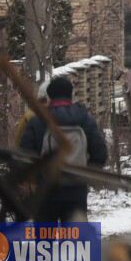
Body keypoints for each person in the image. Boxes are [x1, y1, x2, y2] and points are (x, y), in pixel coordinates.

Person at [19, 77, 109, 222]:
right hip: (76, 190)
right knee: (75, 240)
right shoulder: (85, 119)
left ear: (49, 96)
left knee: (44, 240)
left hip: (46, 192)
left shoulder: (38, 121)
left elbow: (23, 157)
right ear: (71, 94)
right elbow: (100, 154)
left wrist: (36, 179)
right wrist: (85, 175)